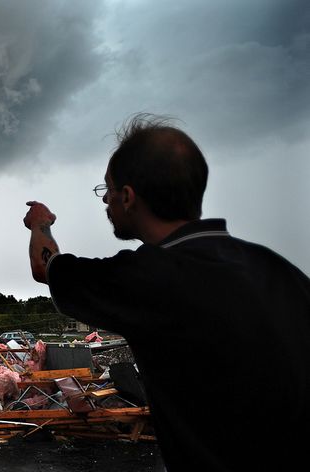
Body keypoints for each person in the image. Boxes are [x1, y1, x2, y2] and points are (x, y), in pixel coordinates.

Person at [23, 114, 310, 471]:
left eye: (107, 191)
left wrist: (41, 223)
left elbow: (45, 267)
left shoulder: (142, 279)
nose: (105, 202)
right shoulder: (283, 272)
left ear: (127, 197)